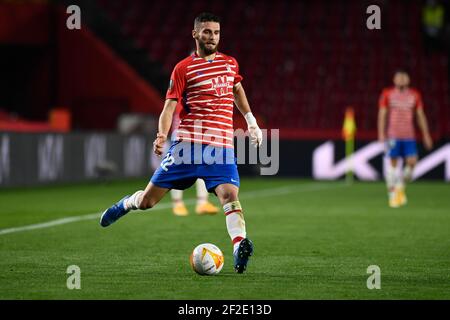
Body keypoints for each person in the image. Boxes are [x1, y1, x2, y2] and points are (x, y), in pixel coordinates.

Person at [100, 12, 263, 274]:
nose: (212, 37)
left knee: (230, 197)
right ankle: (126, 203)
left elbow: (237, 89)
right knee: (148, 202)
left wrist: (251, 121)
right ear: (195, 33)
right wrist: (162, 135)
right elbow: (169, 107)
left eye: (217, 32)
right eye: (207, 32)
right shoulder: (183, 68)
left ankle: (239, 246)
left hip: (220, 147)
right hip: (187, 145)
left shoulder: (230, 64)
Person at [378, 70, 433, 208]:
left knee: (412, 162)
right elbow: (382, 114)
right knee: (393, 163)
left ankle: (400, 186)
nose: (401, 80)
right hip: (393, 135)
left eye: (404, 78)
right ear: (394, 80)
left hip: (409, 135)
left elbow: (420, 115)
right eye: (399, 78)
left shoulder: (414, 95)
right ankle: (392, 193)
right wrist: (381, 133)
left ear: (408, 80)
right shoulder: (387, 94)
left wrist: (426, 134)